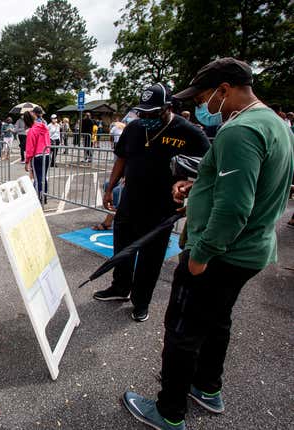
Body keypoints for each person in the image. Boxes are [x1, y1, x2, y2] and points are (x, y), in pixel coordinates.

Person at [121, 58, 294, 430]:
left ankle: (169, 411)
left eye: (203, 96)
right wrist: (198, 188)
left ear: (225, 89)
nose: (202, 105)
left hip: (221, 253)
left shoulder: (240, 131)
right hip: (252, 250)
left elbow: (234, 208)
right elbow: (259, 188)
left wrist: (201, 254)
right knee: (217, 321)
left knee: (183, 329)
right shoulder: (277, 125)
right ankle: (207, 387)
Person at [93, 83, 210, 323]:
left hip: (161, 208)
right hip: (129, 202)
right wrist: (111, 188)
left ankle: (141, 300)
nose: (145, 117)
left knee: (151, 258)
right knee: (122, 249)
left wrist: (192, 189)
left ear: (168, 107)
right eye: (142, 112)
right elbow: (121, 158)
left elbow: (210, 167)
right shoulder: (134, 128)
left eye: (152, 112)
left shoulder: (188, 132)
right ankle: (119, 287)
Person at [24, 111, 51, 204]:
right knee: (43, 177)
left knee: (38, 178)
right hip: (47, 154)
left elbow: (30, 148)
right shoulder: (44, 127)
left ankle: (38, 198)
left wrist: (27, 161)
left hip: (38, 156)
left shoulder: (32, 130)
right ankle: (44, 197)